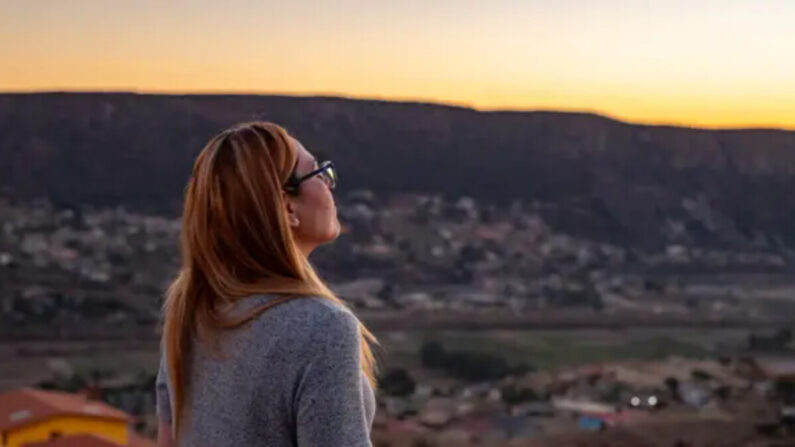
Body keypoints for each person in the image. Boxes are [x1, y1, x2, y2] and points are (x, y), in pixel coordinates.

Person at [156, 122, 378, 447]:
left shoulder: (192, 306)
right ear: (287, 206)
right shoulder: (322, 327)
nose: (330, 186)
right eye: (317, 173)